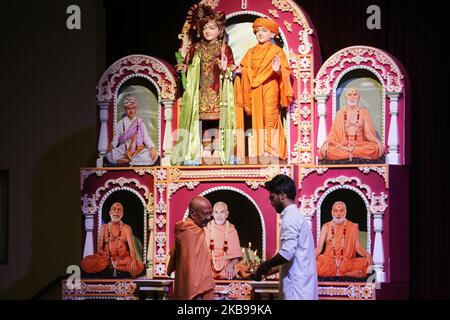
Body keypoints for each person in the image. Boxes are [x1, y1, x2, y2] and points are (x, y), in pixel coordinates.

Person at [171, 4, 236, 166]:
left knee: (218, 119)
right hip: (200, 91)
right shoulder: (196, 48)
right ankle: (204, 147)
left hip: (218, 90)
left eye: (212, 28)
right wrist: (183, 68)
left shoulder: (224, 49)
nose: (207, 31)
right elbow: (188, 64)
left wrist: (225, 69)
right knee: (203, 120)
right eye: (205, 28)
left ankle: (218, 149)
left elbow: (231, 68)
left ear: (220, 31)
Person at [234, 17, 294, 161]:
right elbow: (246, 68)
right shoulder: (251, 51)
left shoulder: (277, 51)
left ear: (273, 34)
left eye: (264, 30)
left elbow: (285, 72)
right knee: (257, 117)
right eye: (258, 31)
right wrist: (241, 71)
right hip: (255, 89)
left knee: (269, 117)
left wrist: (277, 70)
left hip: (270, 86)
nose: (260, 33)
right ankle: (260, 150)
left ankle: (272, 151)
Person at [252, 175, 318, 300]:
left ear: (282, 195)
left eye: (272, 198)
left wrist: (265, 265)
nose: (271, 203)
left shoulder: (290, 218)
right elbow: (292, 257)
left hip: (296, 291)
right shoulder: (296, 215)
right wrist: (268, 271)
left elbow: (287, 253)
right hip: (302, 287)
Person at [167, 196, 215, 300]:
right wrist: (196, 294)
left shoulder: (192, 229)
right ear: (193, 214)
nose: (209, 218)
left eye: (210, 213)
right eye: (205, 214)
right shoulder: (188, 231)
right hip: (195, 291)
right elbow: (191, 269)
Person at [319, 87, 385, 161]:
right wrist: (328, 142)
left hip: (359, 144)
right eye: (350, 95)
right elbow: (333, 132)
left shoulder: (364, 113)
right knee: (329, 150)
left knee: (374, 148)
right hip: (343, 145)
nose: (352, 97)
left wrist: (378, 142)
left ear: (358, 97)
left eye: (354, 94)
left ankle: (349, 154)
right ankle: (355, 154)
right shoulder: (340, 113)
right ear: (346, 97)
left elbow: (368, 133)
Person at [81, 202, 145, 278]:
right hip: (106, 259)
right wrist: (104, 254)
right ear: (110, 212)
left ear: (122, 214)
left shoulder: (126, 228)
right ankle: (111, 265)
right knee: (86, 262)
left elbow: (132, 249)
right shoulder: (104, 227)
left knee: (140, 266)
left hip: (122, 259)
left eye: (119, 210)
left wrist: (134, 260)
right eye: (114, 209)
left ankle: (112, 266)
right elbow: (100, 248)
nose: (116, 211)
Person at [316, 201, 373, 278]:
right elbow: (319, 247)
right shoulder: (326, 226)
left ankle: (340, 273)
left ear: (345, 212)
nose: (338, 214)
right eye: (336, 211)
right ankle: (347, 274)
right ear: (332, 212)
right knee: (315, 264)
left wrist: (368, 255)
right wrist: (310, 259)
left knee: (366, 262)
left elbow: (358, 247)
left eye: (341, 210)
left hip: (347, 261)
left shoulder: (353, 226)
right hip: (330, 261)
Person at [106, 95, 158, 166]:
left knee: (154, 155)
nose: (131, 111)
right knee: (109, 155)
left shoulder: (140, 123)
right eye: (128, 109)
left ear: (135, 109)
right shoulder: (120, 123)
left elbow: (146, 138)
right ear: (125, 110)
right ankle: (127, 160)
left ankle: (128, 160)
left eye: (133, 108)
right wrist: (110, 148)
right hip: (123, 150)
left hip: (137, 151)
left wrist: (152, 147)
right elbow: (115, 141)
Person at [204, 201, 243, 280]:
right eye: (216, 212)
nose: (219, 215)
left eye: (222, 212)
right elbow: (200, 254)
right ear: (212, 214)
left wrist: (231, 265)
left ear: (227, 214)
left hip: (227, 266)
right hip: (209, 265)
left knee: (241, 268)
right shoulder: (206, 229)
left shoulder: (231, 229)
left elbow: (237, 256)